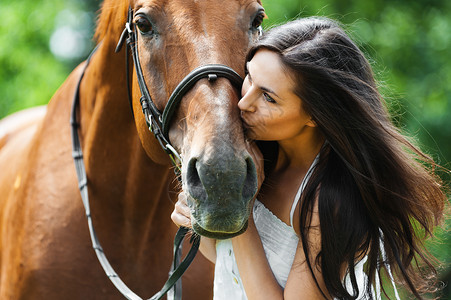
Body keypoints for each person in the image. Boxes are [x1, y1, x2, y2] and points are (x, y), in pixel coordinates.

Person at [172, 16, 447, 299]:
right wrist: (202, 219)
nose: (243, 103)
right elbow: (226, 259)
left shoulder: (329, 199)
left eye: (268, 98)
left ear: (316, 114)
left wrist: (240, 205)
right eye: (249, 77)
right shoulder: (257, 149)